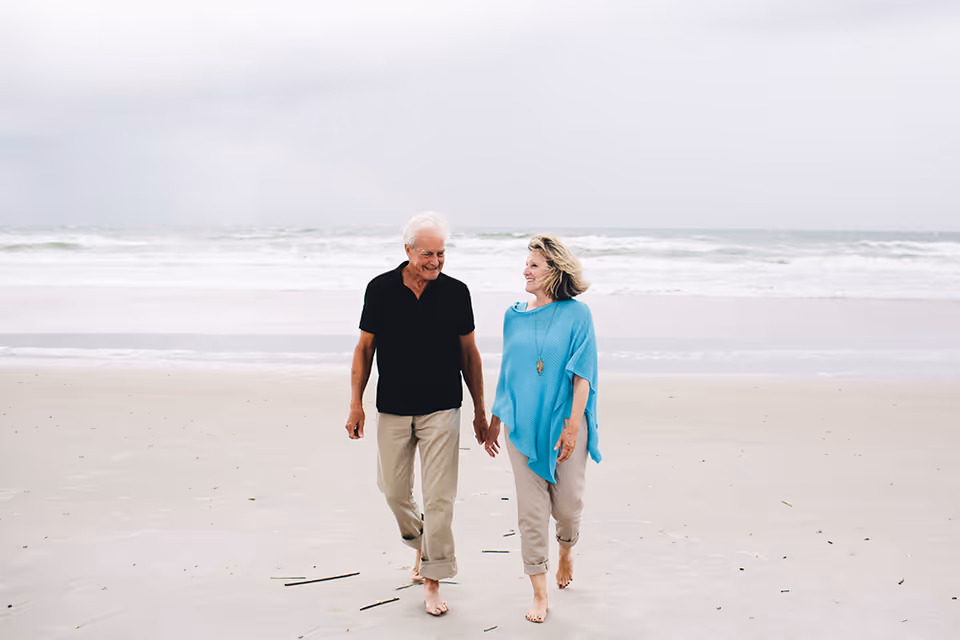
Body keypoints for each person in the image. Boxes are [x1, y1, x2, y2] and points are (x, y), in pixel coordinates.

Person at [345, 212, 488, 616]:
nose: (436, 261)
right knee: (393, 491)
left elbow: (469, 354)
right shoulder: (381, 289)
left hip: (443, 406)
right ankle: (424, 545)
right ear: (407, 250)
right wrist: (356, 402)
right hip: (392, 406)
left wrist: (480, 409)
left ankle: (433, 579)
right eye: (428, 253)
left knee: (440, 497)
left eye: (441, 253)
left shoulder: (457, 292)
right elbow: (364, 349)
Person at [485, 234, 601, 623]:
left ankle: (566, 548)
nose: (526, 270)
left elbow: (583, 375)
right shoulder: (512, 315)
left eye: (534, 265)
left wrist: (571, 428)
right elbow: (508, 372)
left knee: (567, 507)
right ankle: (539, 591)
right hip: (521, 427)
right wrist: (494, 420)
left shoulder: (578, 315)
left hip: (565, 424)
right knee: (531, 513)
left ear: (555, 271)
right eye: (527, 263)